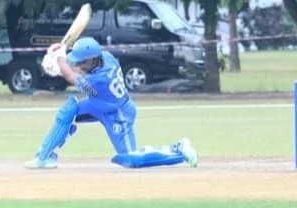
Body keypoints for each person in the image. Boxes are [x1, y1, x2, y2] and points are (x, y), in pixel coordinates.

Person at [25, 37, 199, 169]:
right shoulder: (105, 57)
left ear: (93, 60)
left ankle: (179, 149)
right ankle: (45, 156)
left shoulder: (100, 79)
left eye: (81, 61)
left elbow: (72, 75)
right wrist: (57, 57)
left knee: (131, 158)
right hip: (99, 103)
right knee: (69, 110)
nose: (78, 64)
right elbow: (76, 68)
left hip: (118, 114)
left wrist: (60, 63)